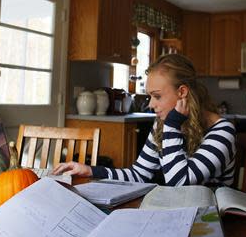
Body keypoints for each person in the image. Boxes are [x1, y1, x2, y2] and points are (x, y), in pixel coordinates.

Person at [54, 54, 236, 186]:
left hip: (213, 220)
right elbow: (139, 174)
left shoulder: (222, 131)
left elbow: (181, 183)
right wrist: (91, 170)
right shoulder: (163, 123)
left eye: (157, 96)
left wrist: (172, 125)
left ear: (182, 92)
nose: (151, 105)